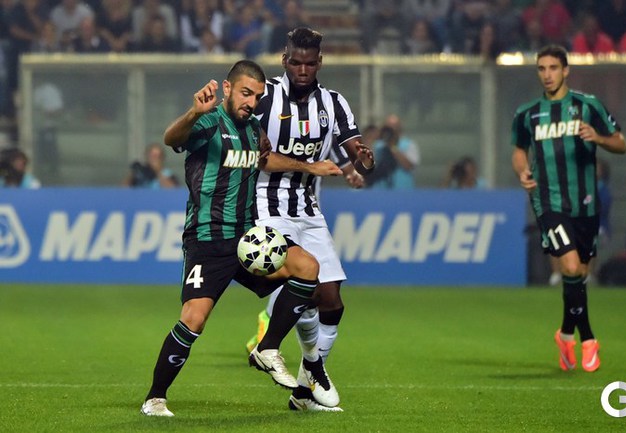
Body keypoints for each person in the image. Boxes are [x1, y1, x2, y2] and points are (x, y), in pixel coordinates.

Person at [140, 59, 344, 417]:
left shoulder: (253, 129)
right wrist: (193, 112)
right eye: (246, 93)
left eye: (257, 97)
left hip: (248, 240)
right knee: (194, 319)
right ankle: (155, 398)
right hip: (208, 239)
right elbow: (171, 138)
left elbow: (266, 161)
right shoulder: (208, 122)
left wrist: (311, 167)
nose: (251, 102)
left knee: (308, 268)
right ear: (228, 88)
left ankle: (267, 348)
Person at [249, 27, 375, 412]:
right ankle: (300, 362)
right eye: (295, 62)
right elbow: (259, 158)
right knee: (304, 285)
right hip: (267, 205)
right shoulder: (265, 96)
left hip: (308, 208)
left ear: (319, 62)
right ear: (284, 60)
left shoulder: (334, 103)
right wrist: (311, 166)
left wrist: (363, 161)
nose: (302, 70)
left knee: (332, 301)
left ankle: (305, 390)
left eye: (309, 63)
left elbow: (354, 151)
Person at [511, 45, 626, 373]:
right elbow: (519, 150)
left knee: (579, 274)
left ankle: (565, 334)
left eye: (553, 68)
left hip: (586, 204)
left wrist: (599, 138)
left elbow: (621, 143)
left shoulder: (587, 105)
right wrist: (522, 170)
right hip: (549, 202)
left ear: (566, 71)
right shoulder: (528, 113)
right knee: (572, 266)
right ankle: (588, 338)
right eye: (541, 68)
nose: (547, 74)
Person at [366, 114, 419, 189]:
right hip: (380, 190)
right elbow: (366, 166)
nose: (391, 129)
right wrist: (372, 138)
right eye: (388, 126)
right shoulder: (378, 145)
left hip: (403, 189)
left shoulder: (409, 144)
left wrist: (392, 146)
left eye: (394, 126)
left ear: (400, 127)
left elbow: (409, 166)